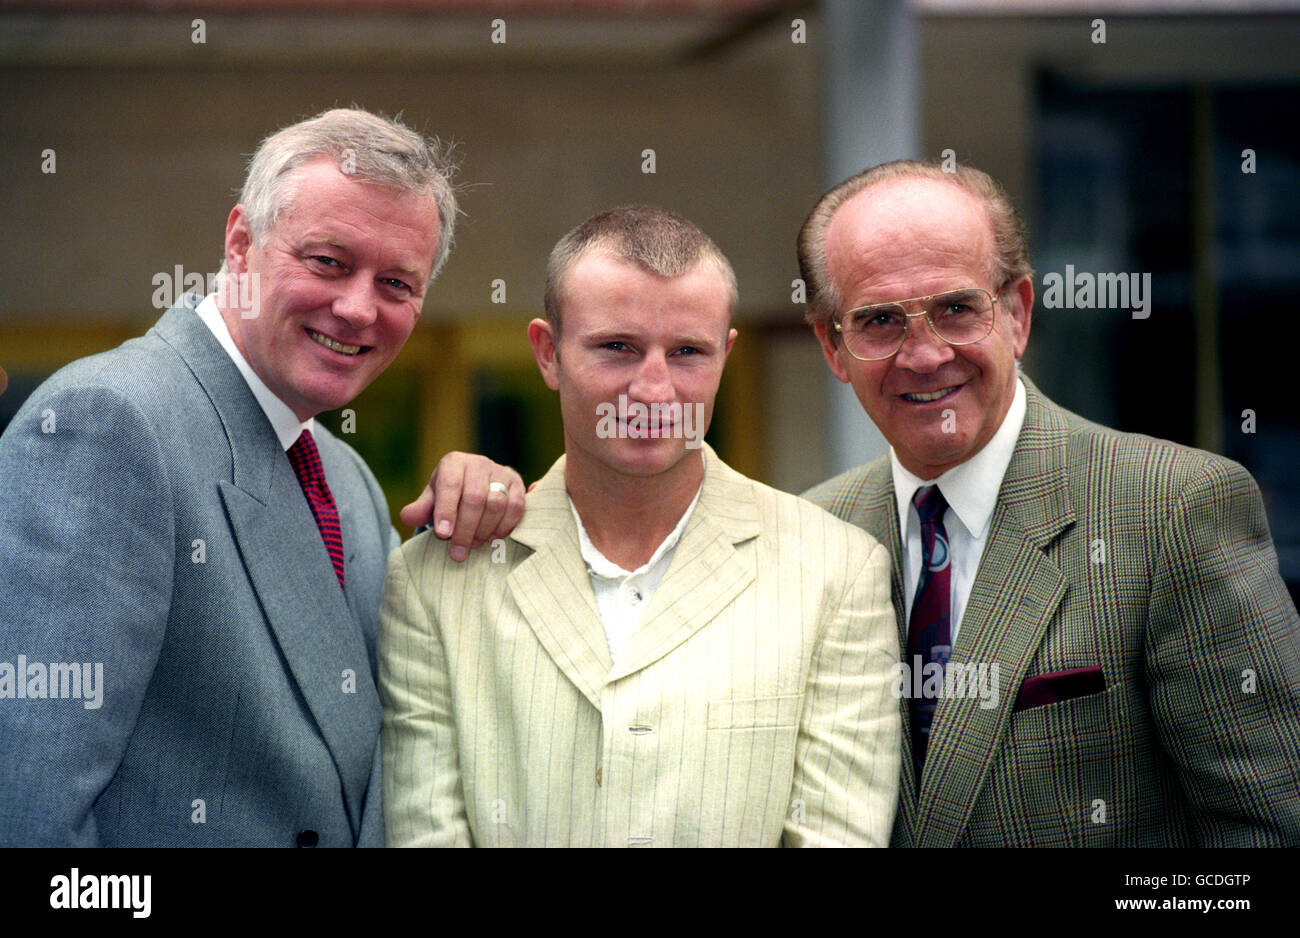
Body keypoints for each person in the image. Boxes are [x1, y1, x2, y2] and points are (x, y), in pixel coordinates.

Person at [0, 107, 522, 846]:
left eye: (397, 283)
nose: (356, 307)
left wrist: (481, 518)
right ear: (240, 243)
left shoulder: (350, 483)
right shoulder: (108, 425)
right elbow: (28, 811)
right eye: (328, 262)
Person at [798, 159, 1300, 846]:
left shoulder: (1174, 510)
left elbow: (1270, 827)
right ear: (832, 345)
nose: (923, 354)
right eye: (880, 321)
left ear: (1017, 313)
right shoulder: (811, 532)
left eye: (955, 309)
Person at [380, 205, 901, 847]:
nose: (654, 391)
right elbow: (425, 833)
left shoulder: (837, 570)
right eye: (617, 348)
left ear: (725, 355)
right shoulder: (436, 576)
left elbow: (835, 836)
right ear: (548, 354)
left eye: (687, 352)